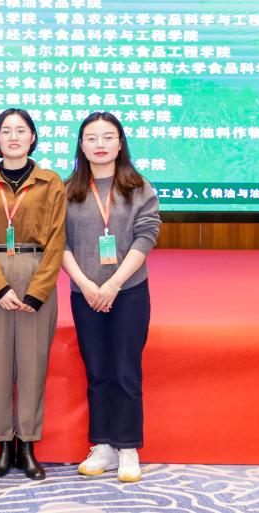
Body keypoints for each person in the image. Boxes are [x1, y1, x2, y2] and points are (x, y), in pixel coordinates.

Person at [0, 108, 67, 480]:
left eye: (21, 130)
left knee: (33, 364)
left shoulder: (51, 182)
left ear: (32, 137)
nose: (13, 137)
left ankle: (28, 444)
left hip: (37, 271)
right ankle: (4, 444)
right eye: (6, 131)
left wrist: (39, 291)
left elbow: (57, 238)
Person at [61, 111, 161, 483]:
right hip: (84, 293)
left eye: (108, 137)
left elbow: (146, 237)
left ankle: (128, 447)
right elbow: (59, 244)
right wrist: (86, 285)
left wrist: (114, 284)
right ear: (81, 145)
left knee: (125, 371)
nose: (100, 145)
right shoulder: (67, 190)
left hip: (129, 292)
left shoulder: (138, 187)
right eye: (91, 138)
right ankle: (102, 445)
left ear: (120, 144)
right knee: (98, 372)